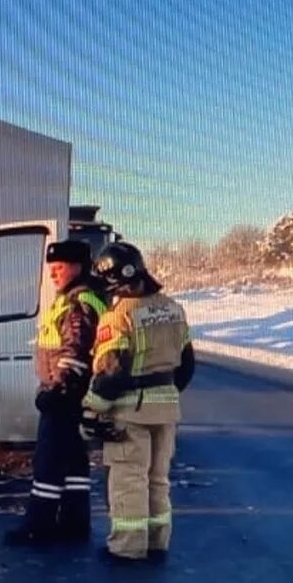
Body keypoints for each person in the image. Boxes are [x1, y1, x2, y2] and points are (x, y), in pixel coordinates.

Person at [82, 238, 195, 562]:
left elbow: (111, 371)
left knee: (129, 479)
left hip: (131, 412)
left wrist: (92, 409)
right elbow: (186, 365)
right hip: (167, 409)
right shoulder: (174, 309)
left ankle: (128, 547)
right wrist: (166, 396)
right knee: (158, 479)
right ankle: (158, 540)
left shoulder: (118, 317)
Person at [3, 239, 108, 546]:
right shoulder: (80, 297)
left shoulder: (78, 303)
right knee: (74, 460)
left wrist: (57, 389)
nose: (53, 275)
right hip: (76, 392)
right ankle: (75, 522)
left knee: (48, 460)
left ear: (77, 266)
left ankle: (40, 524)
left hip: (65, 393)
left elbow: (74, 349)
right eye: (51, 269)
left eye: (59, 268)